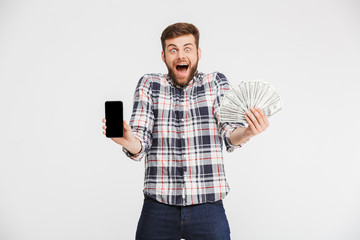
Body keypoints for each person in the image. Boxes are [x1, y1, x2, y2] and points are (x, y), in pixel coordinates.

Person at [102, 22, 269, 240]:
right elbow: (140, 142)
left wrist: (248, 132)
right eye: (173, 49)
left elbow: (230, 133)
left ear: (198, 53)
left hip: (208, 206)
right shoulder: (149, 84)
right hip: (158, 207)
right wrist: (127, 140)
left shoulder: (216, 82)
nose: (181, 55)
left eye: (187, 48)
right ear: (163, 56)